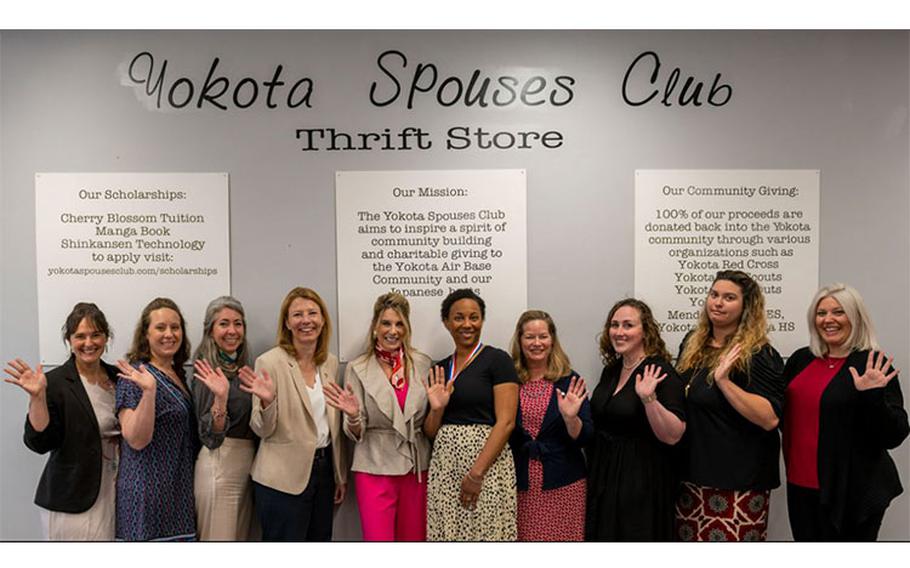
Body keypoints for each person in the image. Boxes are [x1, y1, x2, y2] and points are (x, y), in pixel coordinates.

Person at [782, 283, 909, 541]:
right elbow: (783, 416)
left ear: (855, 317)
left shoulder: (872, 364)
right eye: (821, 313)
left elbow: (894, 434)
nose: (828, 320)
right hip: (800, 485)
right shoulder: (800, 360)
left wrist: (871, 397)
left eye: (838, 312)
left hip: (852, 491)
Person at [674, 270, 784, 542]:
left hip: (738, 482)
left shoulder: (758, 353)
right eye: (714, 295)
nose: (718, 303)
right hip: (691, 476)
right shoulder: (692, 343)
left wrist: (723, 381)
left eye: (729, 297)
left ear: (746, 306)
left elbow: (769, 418)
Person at [4, 302, 119, 540]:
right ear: (69, 340)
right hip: (71, 498)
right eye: (80, 336)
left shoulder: (119, 378)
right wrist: (37, 397)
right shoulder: (53, 383)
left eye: (96, 334)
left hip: (115, 491)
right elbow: (39, 443)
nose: (89, 343)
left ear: (106, 337)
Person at [323, 292, 432, 541]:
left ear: (407, 328)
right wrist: (352, 416)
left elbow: (427, 422)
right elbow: (354, 433)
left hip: (416, 467)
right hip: (374, 467)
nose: (392, 331)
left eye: (399, 324)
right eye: (386, 323)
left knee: (414, 542)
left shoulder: (423, 364)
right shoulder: (357, 367)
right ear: (375, 327)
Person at [241, 287, 347, 541]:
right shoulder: (270, 362)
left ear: (322, 320)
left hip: (324, 475)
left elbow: (330, 426)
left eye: (312, 313)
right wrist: (268, 402)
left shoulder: (330, 363)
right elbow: (261, 429)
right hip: (281, 480)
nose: (306, 320)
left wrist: (338, 474)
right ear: (287, 323)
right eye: (297, 314)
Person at [586, 298, 686, 541]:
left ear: (645, 332)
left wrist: (649, 399)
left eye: (628, 325)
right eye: (614, 325)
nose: (619, 332)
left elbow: (674, 435)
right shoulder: (611, 370)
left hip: (641, 482)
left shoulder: (659, 372)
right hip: (606, 476)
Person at [424, 288, 519, 541]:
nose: (467, 324)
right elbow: (431, 432)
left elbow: (507, 422)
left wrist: (476, 474)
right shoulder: (440, 369)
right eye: (459, 317)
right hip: (446, 468)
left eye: (474, 317)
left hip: (486, 466)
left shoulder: (497, 360)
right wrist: (437, 408)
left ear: (482, 320)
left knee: (487, 534)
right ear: (446, 322)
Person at [115, 297, 198, 541]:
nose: (169, 334)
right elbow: (136, 439)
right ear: (146, 334)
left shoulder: (178, 373)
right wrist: (149, 392)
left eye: (175, 327)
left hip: (177, 495)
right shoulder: (134, 375)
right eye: (160, 328)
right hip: (146, 497)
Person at [508, 309, 592, 542]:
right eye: (529, 337)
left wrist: (570, 418)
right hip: (519, 485)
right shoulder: (509, 380)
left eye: (543, 336)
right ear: (520, 340)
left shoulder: (569, 380)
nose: (537, 343)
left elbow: (586, 436)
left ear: (552, 339)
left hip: (564, 483)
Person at [191, 296, 258, 541]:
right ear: (210, 330)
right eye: (224, 324)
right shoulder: (207, 371)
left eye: (238, 324)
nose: (232, 331)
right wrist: (220, 398)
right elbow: (210, 437)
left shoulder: (242, 369)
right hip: (219, 465)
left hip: (245, 465)